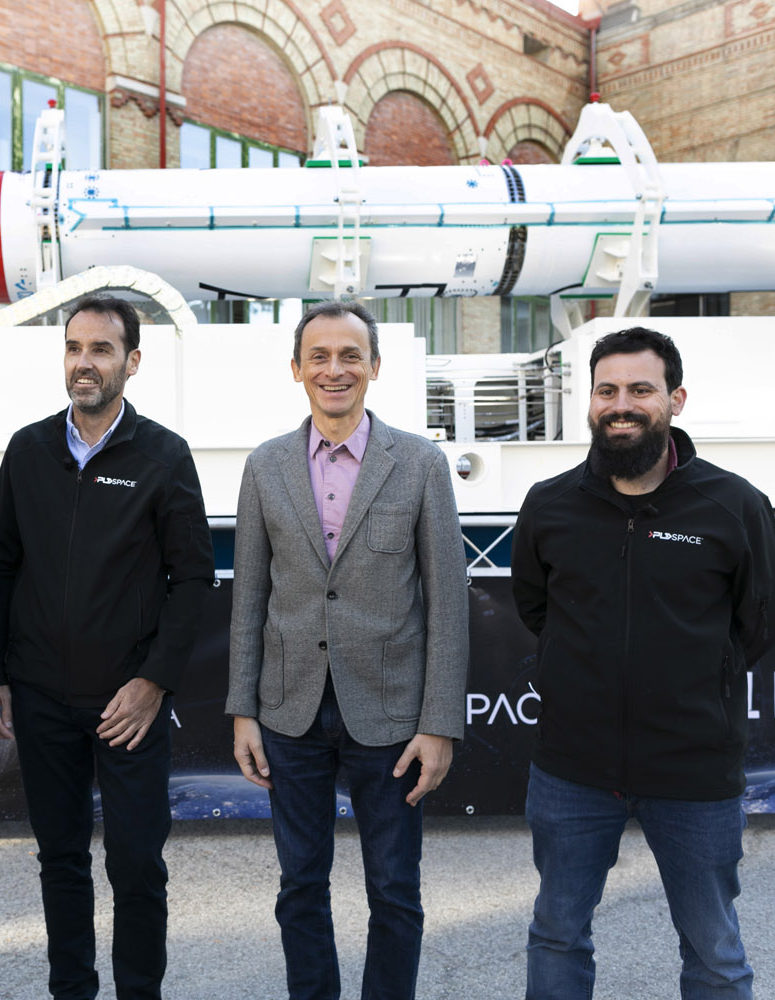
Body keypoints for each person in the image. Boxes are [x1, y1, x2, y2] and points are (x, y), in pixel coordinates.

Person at [509, 326, 775, 1000]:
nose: (621, 404)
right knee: (556, 934)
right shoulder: (550, 504)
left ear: (675, 399)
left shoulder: (733, 504)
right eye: (606, 390)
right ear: (590, 400)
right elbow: (535, 607)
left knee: (715, 952)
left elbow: (759, 624)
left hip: (693, 770)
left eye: (640, 389)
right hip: (572, 768)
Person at [0, 295, 214, 1000]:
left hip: (126, 701)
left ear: (131, 362)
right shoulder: (28, 450)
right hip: (40, 695)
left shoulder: (163, 455)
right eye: (74, 347)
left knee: (137, 864)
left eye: (101, 349)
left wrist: (154, 681)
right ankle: (71, 990)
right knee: (61, 860)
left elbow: (192, 577)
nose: (85, 362)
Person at [226, 300, 469, 1000]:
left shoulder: (420, 464)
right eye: (320, 356)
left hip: (391, 717)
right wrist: (244, 710)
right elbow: (249, 596)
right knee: (300, 885)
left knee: (394, 889)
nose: (335, 370)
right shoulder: (265, 466)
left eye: (350, 355)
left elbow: (447, 602)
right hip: (288, 711)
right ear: (297, 369)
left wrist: (439, 723)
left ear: (375, 367)